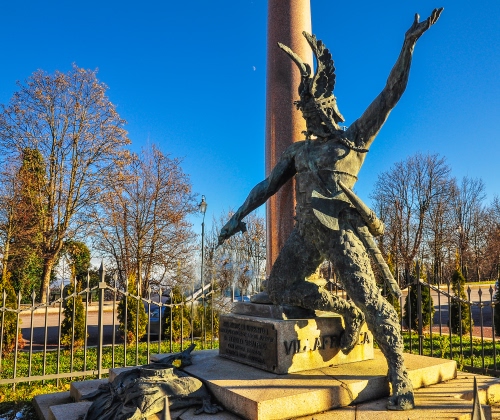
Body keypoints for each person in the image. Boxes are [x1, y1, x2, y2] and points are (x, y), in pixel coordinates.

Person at [218, 9, 443, 411]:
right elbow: (267, 186)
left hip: (341, 232)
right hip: (306, 234)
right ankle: (344, 310)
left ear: (329, 108)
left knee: (372, 300)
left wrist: (408, 45)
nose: (311, 116)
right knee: (279, 289)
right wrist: (237, 216)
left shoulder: (352, 141)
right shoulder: (298, 151)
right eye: (306, 111)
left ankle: (399, 374)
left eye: (315, 109)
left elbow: (390, 94)